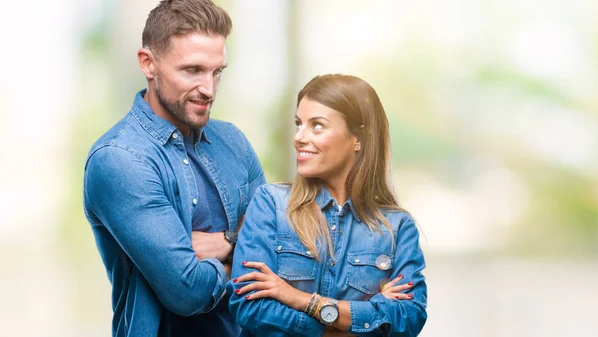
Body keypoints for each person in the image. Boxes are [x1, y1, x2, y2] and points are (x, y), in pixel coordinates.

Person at [83, 0, 265, 336]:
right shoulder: (120, 159)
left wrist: (225, 240)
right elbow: (187, 291)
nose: (208, 89)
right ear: (148, 63)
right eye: (193, 70)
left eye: (217, 71)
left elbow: (278, 250)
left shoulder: (234, 142)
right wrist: (246, 247)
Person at [228, 74, 427, 336]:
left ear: (358, 138)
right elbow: (249, 308)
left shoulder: (396, 228)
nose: (299, 137)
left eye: (317, 126)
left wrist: (300, 299)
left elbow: (407, 319)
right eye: (299, 124)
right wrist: (348, 325)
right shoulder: (271, 205)